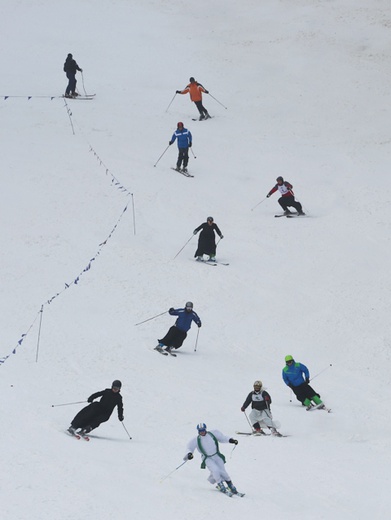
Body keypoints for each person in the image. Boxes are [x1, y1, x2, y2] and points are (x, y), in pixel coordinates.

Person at [184, 423, 239, 495]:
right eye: (200, 431)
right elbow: (189, 448)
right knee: (215, 470)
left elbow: (222, 438)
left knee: (222, 471)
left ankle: (230, 485)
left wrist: (231, 440)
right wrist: (189, 454)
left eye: (203, 430)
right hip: (207, 458)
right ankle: (220, 484)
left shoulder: (213, 434)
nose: (202, 432)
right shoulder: (196, 439)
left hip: (217, 456)